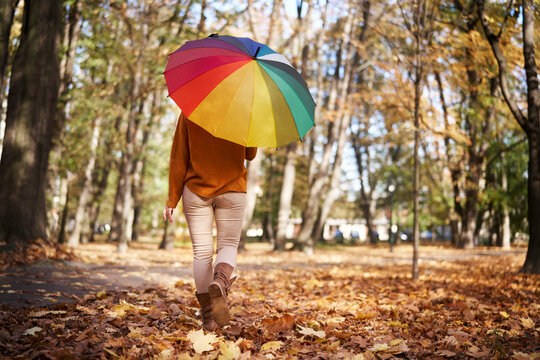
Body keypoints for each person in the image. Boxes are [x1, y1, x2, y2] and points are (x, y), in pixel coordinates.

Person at [163, 112, 257, 331]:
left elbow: (179, 156)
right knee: (228, 246)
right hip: (233, 189)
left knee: (202, 253)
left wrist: (171, 199)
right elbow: (250, 154)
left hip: (196, 190)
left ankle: (209, 319)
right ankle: (221, 282)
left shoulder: (191, 109)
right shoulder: (244, 110)